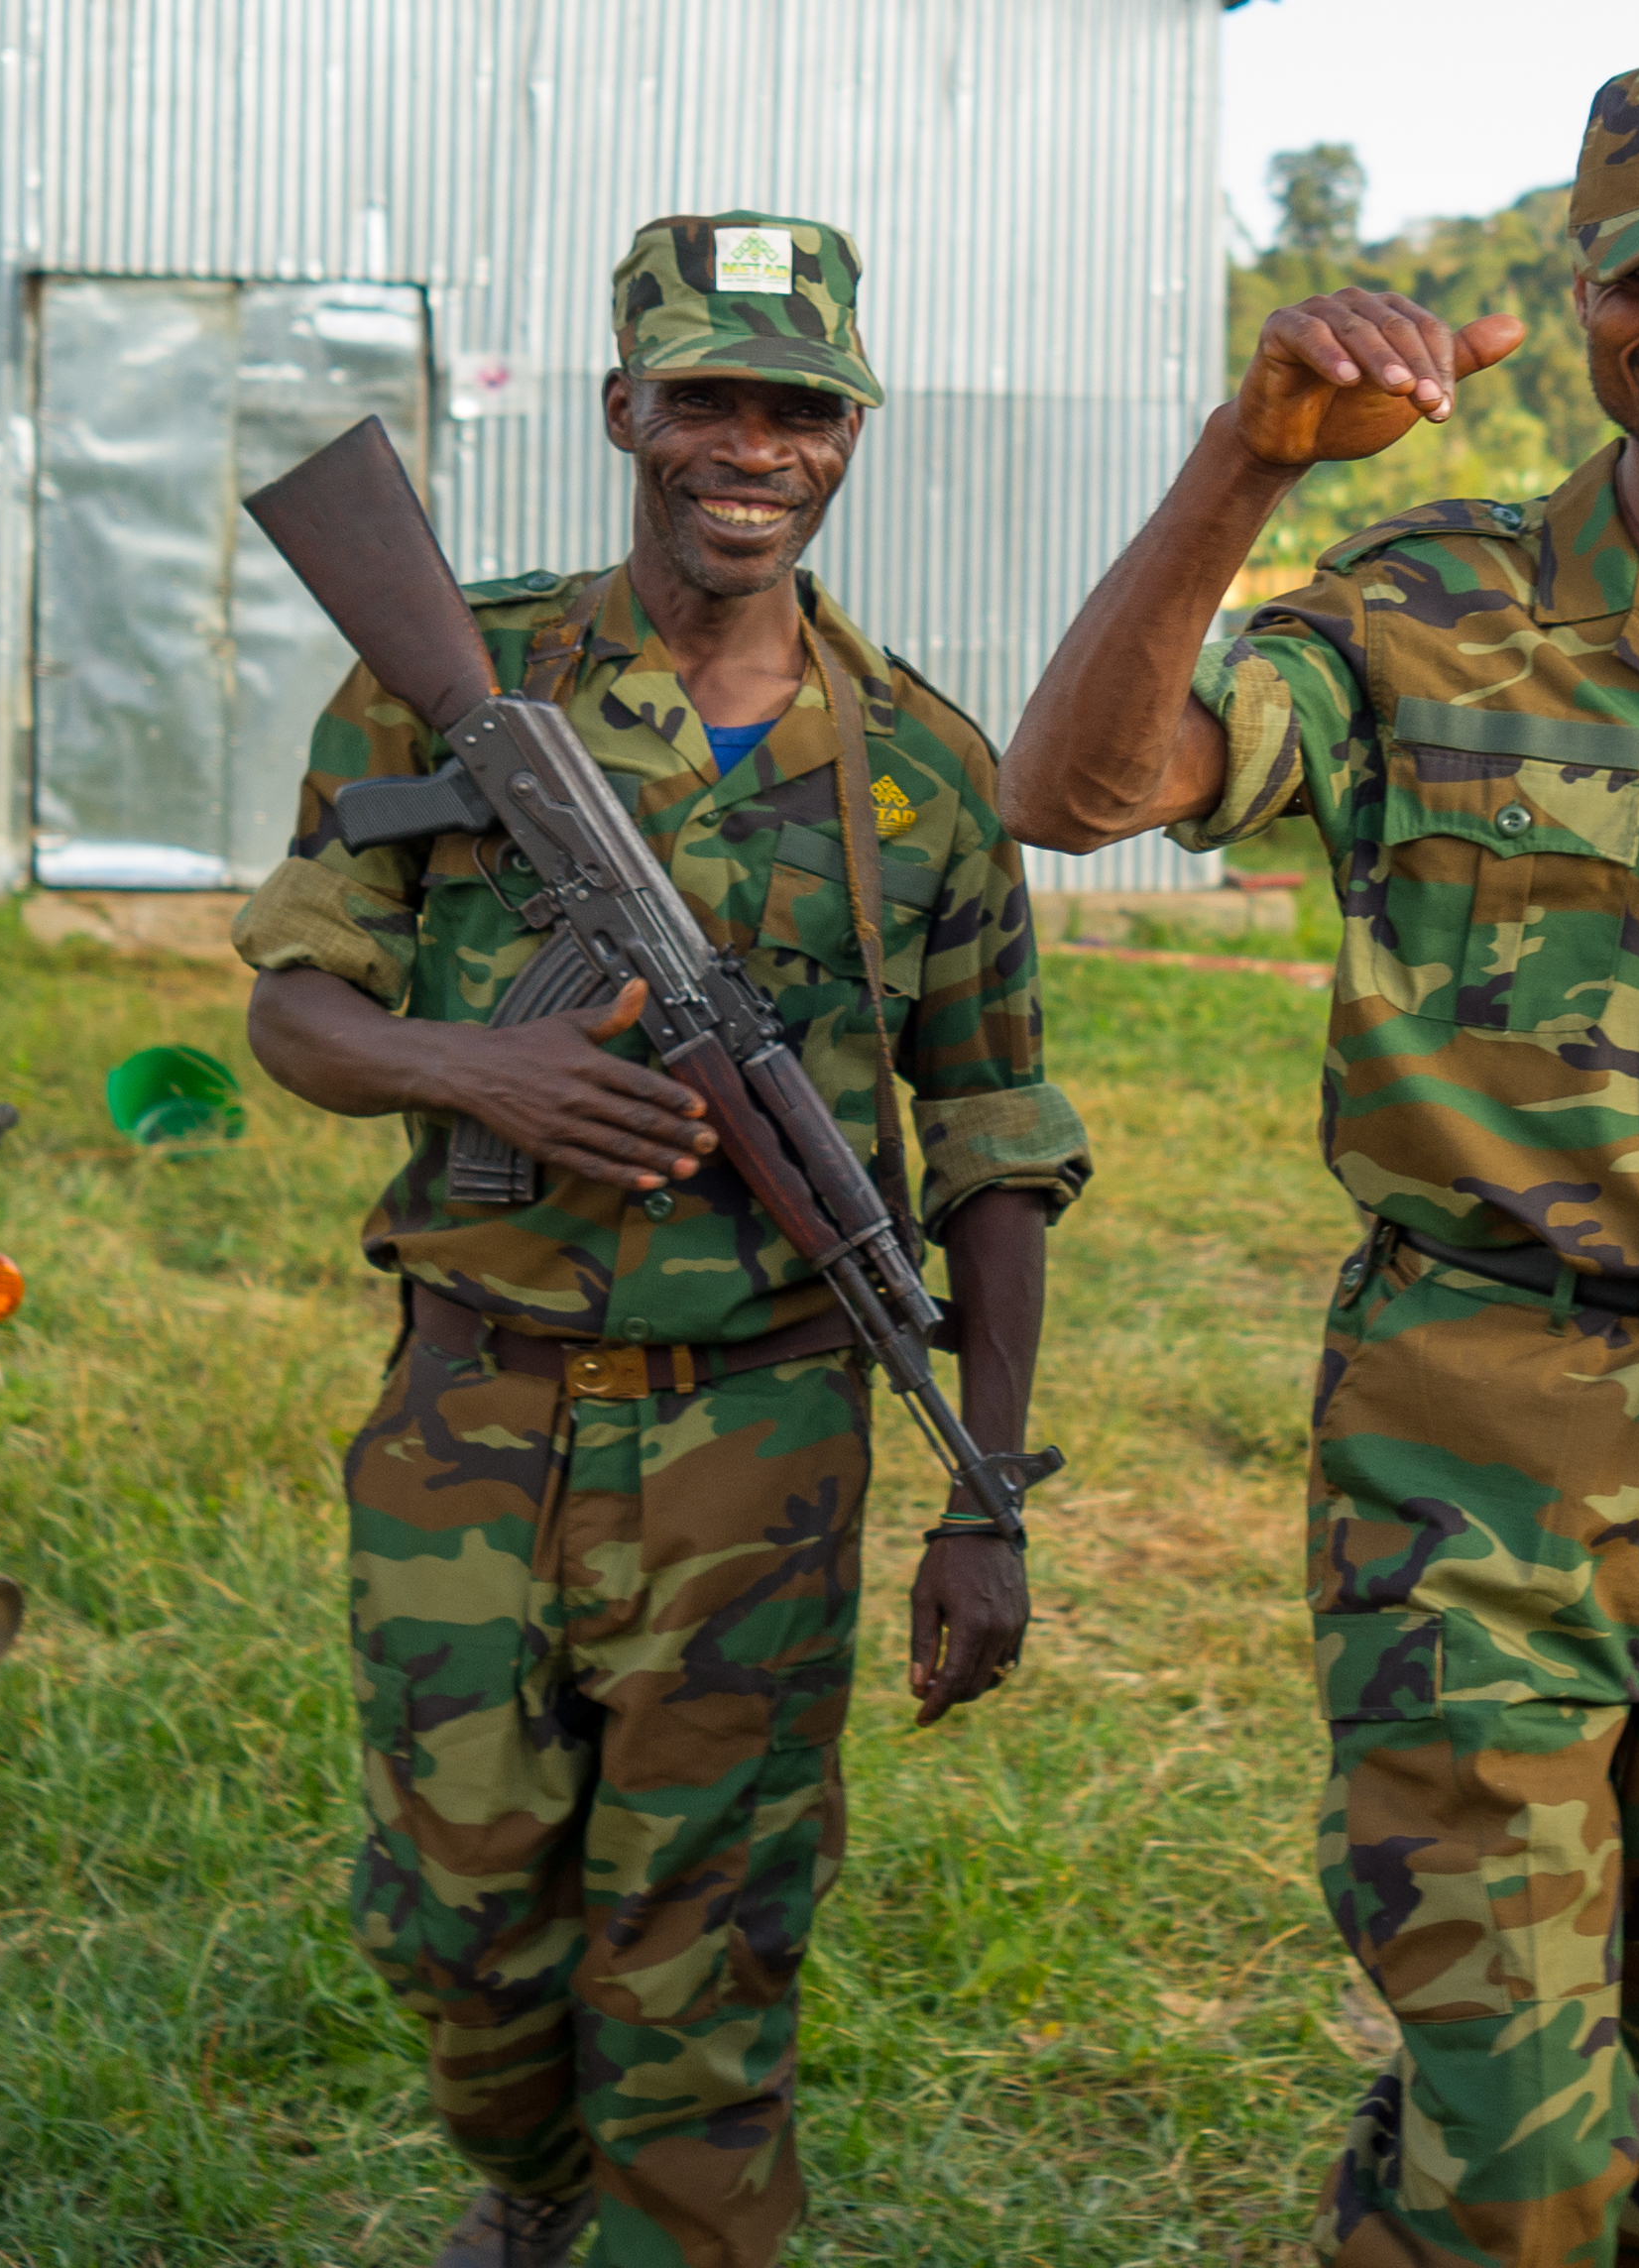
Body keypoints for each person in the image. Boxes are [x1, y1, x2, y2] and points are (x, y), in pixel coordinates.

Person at [1005, 55, 1639, 2268]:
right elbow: (1072, 790)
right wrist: (1243, 464)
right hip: (1478, 1466)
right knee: (1527, 2139)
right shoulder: (1415, 608)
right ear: (1581, 292)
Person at [235, 212, 1091, 2268]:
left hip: (764, 1441)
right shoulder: (453, 681)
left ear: (850, 437)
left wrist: (986, 1491)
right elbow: (294, 1002)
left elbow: (991, 1143)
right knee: (456, 1929)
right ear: (628, 409)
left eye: (797, 408)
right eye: (706, 397)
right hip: (472, 1419)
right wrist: (478, 1075)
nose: (750, 446)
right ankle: (532, 2183)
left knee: (701, 1986)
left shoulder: (922, 775)